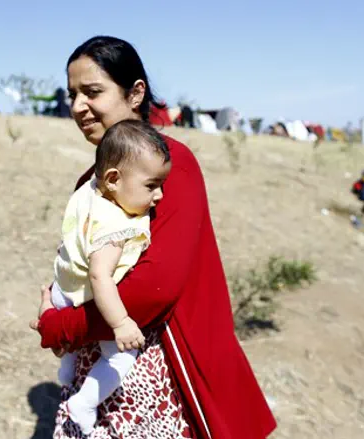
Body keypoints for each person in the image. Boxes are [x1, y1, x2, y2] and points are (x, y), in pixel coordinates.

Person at [30, 35, 276, 438]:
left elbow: (154, 288)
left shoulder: (171, 166)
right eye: (72, 94)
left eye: (92, 92)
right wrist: (59, 310)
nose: (78, 107)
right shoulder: (93, 181)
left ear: (135, 93)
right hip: (100, 357)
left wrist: (61, 327)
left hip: (157, 372)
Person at [47, 119, 171, 435]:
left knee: (71, 349)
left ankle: (66, 367)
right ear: (114, 179)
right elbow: (101, 277)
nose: (159, 196)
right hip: (85, 296)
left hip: (62, 288)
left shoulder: (90, 190)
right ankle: (85, 402)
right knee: (121, 357)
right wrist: (121, 323)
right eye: (151, 185)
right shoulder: (117, 227)